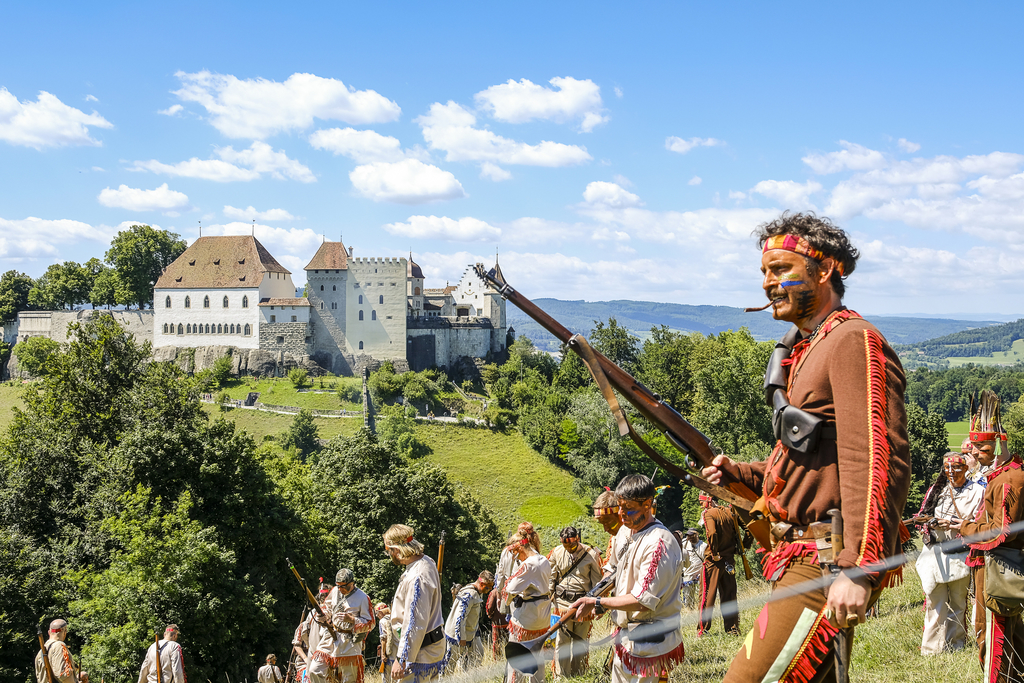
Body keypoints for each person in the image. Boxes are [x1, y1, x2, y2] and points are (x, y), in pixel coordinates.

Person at [703, 213, 911, 681]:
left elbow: (876, 459)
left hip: (825, 561)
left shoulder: (851, 340)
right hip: (802, 555)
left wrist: (858, 568)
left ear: (824, 270)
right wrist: (743, 473)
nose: (767, 283)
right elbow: (814, 460)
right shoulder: (810, 345)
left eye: (779, 269)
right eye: (764, 273)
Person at [571, 474, 685, 683]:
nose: (621, 514)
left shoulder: (659, 543)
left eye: (628, 507)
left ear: (648, 504)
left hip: (651, 642)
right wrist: (597, 598)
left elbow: (642, 600)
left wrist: (597, 602)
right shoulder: (625, 531)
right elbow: (613, 570)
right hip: (627, 638)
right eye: (620, 507)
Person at [951, 390, 1024, 681]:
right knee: (1011, 638)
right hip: (998, 569)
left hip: (1000, 571)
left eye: (980, 450)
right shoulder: (1005, 474)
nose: (974, 455)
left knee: (993, 639)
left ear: (997, 445)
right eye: (972, 451)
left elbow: (1000, 533)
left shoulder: (1008, 480)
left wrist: (966, 529)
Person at [915, 452, 985, 655]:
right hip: (935, 553)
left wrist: (956, 525)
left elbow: (981, 524)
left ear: (965, 469)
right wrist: (928, 524)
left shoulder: (978, 492)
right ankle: (931, 650)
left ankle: (955, 645)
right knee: (934, 602)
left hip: (960, 554)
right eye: (947, 468)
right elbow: (922, 516)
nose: (951, 472)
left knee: (957, 602)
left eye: (956, 467)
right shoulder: (936, 490)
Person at [385, 524, 446, 683]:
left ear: (397, 550)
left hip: (420, 653)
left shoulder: (417, 577)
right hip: (426, 649)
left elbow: (415, 622)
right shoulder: (427, 561)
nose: (389, 554)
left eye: (388, 550)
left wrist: (402, 658)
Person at [547, 526, 603, 677]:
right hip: (562, 604)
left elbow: (598, 583)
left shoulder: (591, 554)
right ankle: (560, 676)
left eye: (571, 545)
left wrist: (597, 606)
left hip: (583, 605)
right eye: (566, 546)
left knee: (580, 641)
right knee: (561, 642)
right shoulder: (557, 552)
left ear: (578, 539)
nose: (569, 549)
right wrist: (548, 600)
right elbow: (551, 578)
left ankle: (579, 674)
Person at [503, 526, 552, 683]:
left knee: (517, 658)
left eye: (514, 554)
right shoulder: (543, 560)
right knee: (537, 657)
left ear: (519, 548)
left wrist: (509, 598)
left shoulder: (528, 565)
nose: (516, 558)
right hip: (542, 617)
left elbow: (510, 589)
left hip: (526, 619)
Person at [310, 568, 376, 683]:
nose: (341, 589)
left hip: (349, 642)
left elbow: (371, 623)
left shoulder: (363, 598)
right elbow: (327, 607)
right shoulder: (335, 591)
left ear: (352, 583)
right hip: (331, 637)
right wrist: (323, 615)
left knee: (348, 679)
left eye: (344, 586)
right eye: (338, 586)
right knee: (314, 670)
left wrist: (352, 619)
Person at [696, 494, 742, 636]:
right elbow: (747, 527)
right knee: (729, 594)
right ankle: (732, 628)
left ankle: (703, 630)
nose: (701, 505)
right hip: (729, 559)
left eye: (701, 502)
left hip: (713, 561)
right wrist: (743, 547)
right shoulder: (730, 512)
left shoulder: (709, 513)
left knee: (707, 595)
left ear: (709, 500)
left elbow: (712, 533)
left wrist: (714, 552)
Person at [444, 570, 494, 673]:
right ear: (481, 583)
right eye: (488, 587)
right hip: (456, 635)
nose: (489, 590)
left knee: (478, 654)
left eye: (491, 587)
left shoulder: (478, 592)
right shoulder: (469, 594)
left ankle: (468, 678)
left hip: (471, 632)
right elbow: (460, 617)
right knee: (449, 665)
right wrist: (461, 637)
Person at [35, 618, 76, 683]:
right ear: (65, 632)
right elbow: (63, 675)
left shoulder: (40, 652)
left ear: (49, 632)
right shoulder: (59, 645)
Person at [593, 490, 622, 568]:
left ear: (620, 515)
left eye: (608, 523)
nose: (605, 529)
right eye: (602, 524)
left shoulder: (636, 537)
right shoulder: (613, 539)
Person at [680, 529, 706, 610]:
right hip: (687, 576)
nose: (690, 537)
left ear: (697, 535)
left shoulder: (703, 546)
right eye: (688, 535)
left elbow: (706, 562)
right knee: (688, 599)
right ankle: (690, 614)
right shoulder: (684, 544)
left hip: (700, 576)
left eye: (692, 535)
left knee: (702, 598)